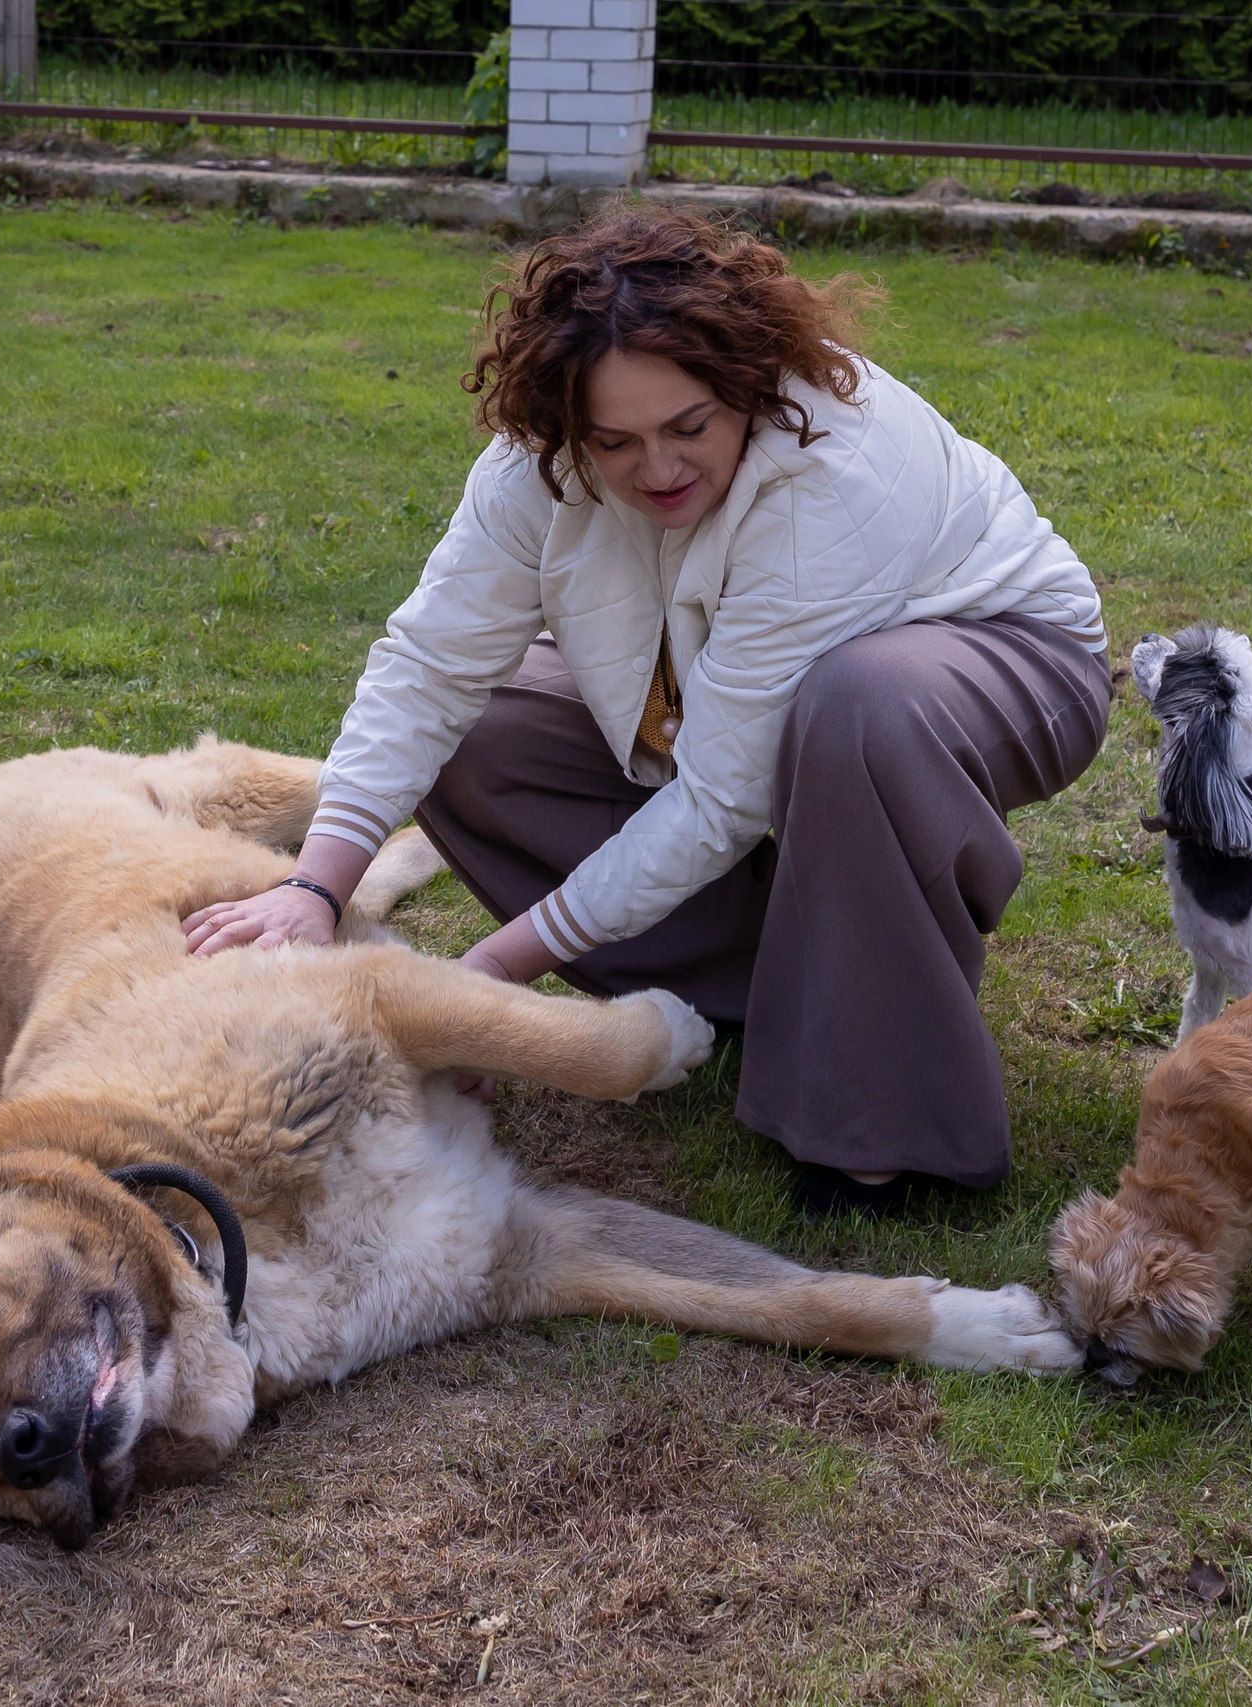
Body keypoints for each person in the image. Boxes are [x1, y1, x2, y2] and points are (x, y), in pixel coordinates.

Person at [184, 205, 1109, 1217]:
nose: (657, 469)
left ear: (746, 386)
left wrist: (484, 981)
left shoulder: (832, 468)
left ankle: (881, 1126)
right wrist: (314, 889)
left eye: (688, 428)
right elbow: (431, 662)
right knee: (478, 732)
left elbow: (718, 797)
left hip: (989, 665)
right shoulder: (535, 461)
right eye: (613, 441)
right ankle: (798, 984)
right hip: (713, 682)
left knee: (858, 712)